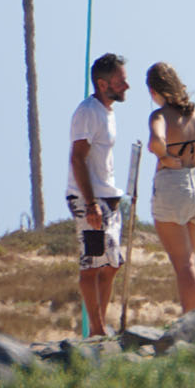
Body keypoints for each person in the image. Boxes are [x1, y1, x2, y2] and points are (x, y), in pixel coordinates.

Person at [68, 53, 129, 335]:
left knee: (112, 263)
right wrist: (90, 203)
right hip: (88, 199)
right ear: (103, 84)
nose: (126, 86)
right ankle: (96, 328)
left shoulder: (108, 113)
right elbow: (78, 158)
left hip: (109, 199)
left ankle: (98, 325)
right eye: (120, 81)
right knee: (91, 264)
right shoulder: (87, 112)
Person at [145, 62, 195, 313]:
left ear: (154, 90)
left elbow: (156, 141)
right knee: (190, 262)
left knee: (183, 265)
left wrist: (163, 157)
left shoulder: (160, 115)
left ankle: (190, 322)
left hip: (175, 185)